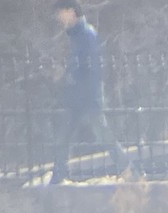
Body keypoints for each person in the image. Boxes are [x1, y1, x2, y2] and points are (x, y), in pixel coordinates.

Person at [51, 0, 127, 182]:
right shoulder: (76, 35)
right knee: (64, 138)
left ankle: (129, 170)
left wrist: (72, 77)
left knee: (103, 134)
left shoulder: (86, 35)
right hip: (77, 96)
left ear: (71, 11)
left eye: (60, 12)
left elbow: (92, 68)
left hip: (87, 97)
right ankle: (58, 175)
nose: (58, 17)